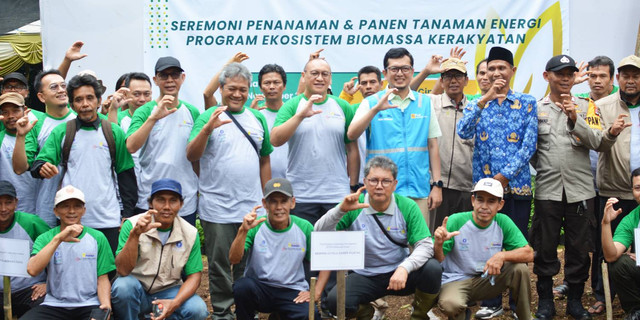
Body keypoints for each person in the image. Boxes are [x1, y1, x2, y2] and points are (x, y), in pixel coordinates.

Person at [530, 54, 623, 320]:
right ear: (547, 76)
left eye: (570, 74)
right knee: (545, 248)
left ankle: (574, 301)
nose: (565, 79)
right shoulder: (536, 109)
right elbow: (531, 152)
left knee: (579, 249)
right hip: (548, 190)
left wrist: (574, 119)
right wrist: (548, 167)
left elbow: (600, 143)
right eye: (560, 73)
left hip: (581, 191)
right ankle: (546, 302)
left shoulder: (586, 107)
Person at [186, 62, 272, 320]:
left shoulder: (256, 118)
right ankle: (223, 312)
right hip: (217, 207)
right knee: (220, 263)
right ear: (221, 88)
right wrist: (206, 129)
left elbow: (265, 158)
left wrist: (266, 196)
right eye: (232, 88)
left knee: (248, 262)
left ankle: (247, 311)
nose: (237, 94)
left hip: (252, 206)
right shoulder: (209, 116)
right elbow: (191, 155)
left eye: (243, 89)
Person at [456, 46, 537, 318]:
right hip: (485, 193)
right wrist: (485, 98)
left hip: (517, 186)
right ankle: (491, 302)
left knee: (515, 245)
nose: (497, 73)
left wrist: (502, 179)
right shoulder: (476, 103)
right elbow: (463, 131)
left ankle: (517, 305)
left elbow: (529, 147)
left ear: (512, 71)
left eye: (502, 68)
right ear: (485, 74)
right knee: (487, 245)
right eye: (491, 69)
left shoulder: (527, 102)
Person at [315, 156, 442, 319]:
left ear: (395, 184)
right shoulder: (353, 205)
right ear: (365, 182)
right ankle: (367, 313)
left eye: (386, 181)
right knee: (335, 302)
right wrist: (340, 210)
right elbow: (319, 232)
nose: (379, 186)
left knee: (432, 269)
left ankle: (418, 314)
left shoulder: (407, 206)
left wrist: (404, 268)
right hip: (365, 274)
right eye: (374, 180)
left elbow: (425, 245)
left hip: (398, 270)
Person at [28, 74, 137, 254]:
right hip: (71, 220)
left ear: (99, 100)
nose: (85, 104)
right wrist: (41, 167)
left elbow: (126, 175)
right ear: (71, 104)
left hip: (107, 219)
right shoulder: (63, 131)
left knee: (107, 274)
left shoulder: (113, 132)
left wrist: (127, 213)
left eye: (89, 98)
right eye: (78, 99)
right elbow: (39, 163)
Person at [347, 47, 443, 226]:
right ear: (385, 73)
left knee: (419, 246)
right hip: (381, 192)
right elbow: (352, 134)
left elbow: (432, 145)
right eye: (394, 69)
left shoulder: (424, 103)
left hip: (418, 190)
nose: (400, 73)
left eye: (405, 69)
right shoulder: (371, 102)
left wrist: (437, 185)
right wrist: (376, 109)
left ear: (412, 71)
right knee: (383, 248)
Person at [270, 57, 359, 225]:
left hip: (337, 194)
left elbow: (352, 149)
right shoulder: (292, 105)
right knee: (305, 247)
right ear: (304, 76)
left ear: (331, 78)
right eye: (314, 73)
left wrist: (352, 186)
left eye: (325, 74)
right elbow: (275, 140)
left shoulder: (342, 106)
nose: (320, 78)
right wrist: (300, 116)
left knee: (336, 247)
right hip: (301, 195)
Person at [433, 178, 534, 320]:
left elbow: (528, 253)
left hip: (487, 279)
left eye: (491, 201)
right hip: (456, 280)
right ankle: (462, 315)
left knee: (520, 269)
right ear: (473, 201)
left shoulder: (502, 221)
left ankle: (525, 317)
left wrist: (501, 256)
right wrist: (438, 244)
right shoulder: (456, 221)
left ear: (500, 204)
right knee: (451, 304)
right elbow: (438, 259)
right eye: (480, 200)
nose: (484, 206)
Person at [111, 178, 208, 320]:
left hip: (169, 291)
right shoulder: (132, 225)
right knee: (123, 287)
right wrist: (135, 235)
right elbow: (122, 270)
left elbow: (194, 276)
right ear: (151, 203)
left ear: (181, 204)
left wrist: (174, 303)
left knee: (197, 309)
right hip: (138, 290)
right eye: (161, 200)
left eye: (173, 200)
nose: (167, 206)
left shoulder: (190, 233)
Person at [230, 178, 322, 319]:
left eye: (284, 201)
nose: (279, 207)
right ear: (264, 204)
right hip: (261, 287)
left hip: (292, 290)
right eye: (273, 201)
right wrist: (243, 230)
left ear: (293, 202)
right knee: (242, 287)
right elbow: (234, 259)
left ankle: (279, 316)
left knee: (310, 315)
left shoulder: (304, 227)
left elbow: (323, 261)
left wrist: (316, 291)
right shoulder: (255, 226)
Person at [591, 54, 639, 315]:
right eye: (626, 75)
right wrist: (611, 133)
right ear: (617, 78)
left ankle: (631, 296)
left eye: (636, 75)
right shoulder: (603, 106)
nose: (631, 81)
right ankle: (602, 295)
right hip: (613, 189)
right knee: (606, 247)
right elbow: (595, 144)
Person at [21, 185, 114, 320]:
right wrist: (58, 239)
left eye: (77, 206)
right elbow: (32, 270)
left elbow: (102, 278)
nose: (71, 211)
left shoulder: (97, 238)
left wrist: (105, 306)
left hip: (89, 303)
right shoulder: (46, 238)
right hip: (54, 304)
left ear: (84, 210)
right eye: (65, 206)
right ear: (56, 211)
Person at [126, 56, 200, 225]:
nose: (169, 80)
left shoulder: (192, 112)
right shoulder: (144, 111)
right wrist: (153, 118)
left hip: (184, 199)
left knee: (183, 249)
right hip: (151, 197)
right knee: (147, 249)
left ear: (183, 78)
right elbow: (131, 146)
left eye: (174, 75)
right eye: (164, 76)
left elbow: (196, 156)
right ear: (155, 80)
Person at [12, 69, 76, 226]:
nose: (61, 90)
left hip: (82, 204)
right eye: (54, 87)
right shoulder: (35, 124)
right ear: (41, 96)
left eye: (63, 85)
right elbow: (20, 168)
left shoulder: (84, 119)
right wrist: (20, 136)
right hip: (48, 206)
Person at [430, 58, 474, 234]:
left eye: (457, 76)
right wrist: (427, 71)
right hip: (435, 186)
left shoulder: (473, 109)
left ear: (466, 80)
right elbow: (405, 94)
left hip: (465, 186)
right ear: (441, 81)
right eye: (448, 76)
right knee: (434, 235)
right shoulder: (431, 103)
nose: (453, 81)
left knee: (461, 237)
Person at [0, 180, 49, 319]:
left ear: (16, 202)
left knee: (47, 309)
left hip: (29, 290)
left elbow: (56, 252)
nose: (3, 209)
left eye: (8, 202)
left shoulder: (31, 223)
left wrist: (49, 284)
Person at [600, 168, 640, 318]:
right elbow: (611, 256)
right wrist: (606, 223)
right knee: (620, 263)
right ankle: (636, 310)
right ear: (632, 191)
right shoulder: (632, 218)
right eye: (637, 188)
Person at [0, 93, 39, 213]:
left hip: (38, 205)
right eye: (5, 112)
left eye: (15, 111)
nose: (10, 116)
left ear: (25, 110)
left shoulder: (38, 134)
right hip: (7, 208)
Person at [257, 63, 288, 179]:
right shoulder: (256, 115)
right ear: (260, 87)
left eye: (276, 82)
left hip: (295, 183)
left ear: (284, 86)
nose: (271, 87)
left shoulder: (294, 113)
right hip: (263, 183)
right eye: (267, 83)